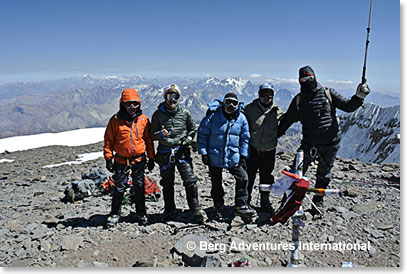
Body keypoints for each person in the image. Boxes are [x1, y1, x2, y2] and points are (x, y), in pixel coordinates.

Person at [278, 65, 370, 215]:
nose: (307, 81)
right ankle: (289, 200)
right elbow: (287, 121)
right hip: (311, 143)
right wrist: (273, 136)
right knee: (296, 172)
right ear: (300, 81)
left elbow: (348, 106)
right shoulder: (299, 100)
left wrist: (359, 96)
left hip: (329, 143)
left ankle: (317, 202)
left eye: (309, 78)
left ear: (314, 78)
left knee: (323, 174)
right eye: (304, 79)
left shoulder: (327, 93)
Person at [150, 84, 207, 223]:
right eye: (170, 96)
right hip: (165, 153)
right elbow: (151, 135)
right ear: (165, 97)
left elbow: (192, 129)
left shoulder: (185, 112)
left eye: (176, 97)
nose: (172, 100)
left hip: (182, 152)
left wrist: (188, 138)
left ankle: (195, 209)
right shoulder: (158, 115)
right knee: (167, 183)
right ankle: (170, 210)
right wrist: (160, 135)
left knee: (190, 181)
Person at [197, 92, 257, 220]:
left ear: (237, 105)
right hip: (215, 156)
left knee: (243, 178)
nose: (230, 105)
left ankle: (241, 205)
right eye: (228, 102)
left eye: (234, 103)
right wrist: (204, 153)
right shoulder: (212, 117)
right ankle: (219, 206)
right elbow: (202, 135)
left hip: (232, 156)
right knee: (216, 182)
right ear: (223, 103)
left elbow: (245, 138)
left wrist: (242, 155)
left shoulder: (241, 119)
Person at [104, 88, 155, 227]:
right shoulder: (115, 121)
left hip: (139, 159)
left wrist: (151, 158)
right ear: (122, 104)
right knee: (119, 187)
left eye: (135, 104)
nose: (132, 107)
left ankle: (141, 213)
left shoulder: (143, 120)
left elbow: (148, 140)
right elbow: (108, 140)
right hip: (121, 160)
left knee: (139, 186)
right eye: (128, 104)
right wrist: (108, 158)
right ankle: (115, 214)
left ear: (139, 104)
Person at [242, 83, 284, 214]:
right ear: (259, 95)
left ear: (273, 95)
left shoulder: (277, 111)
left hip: (269, 150)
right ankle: (245, 201)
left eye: (269, 94)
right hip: (253, 149)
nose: (266, 97)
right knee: (249, 176)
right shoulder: (249, 109)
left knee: (266, 177)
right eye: (263, 94)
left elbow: (288, 120)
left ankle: (264, 201)